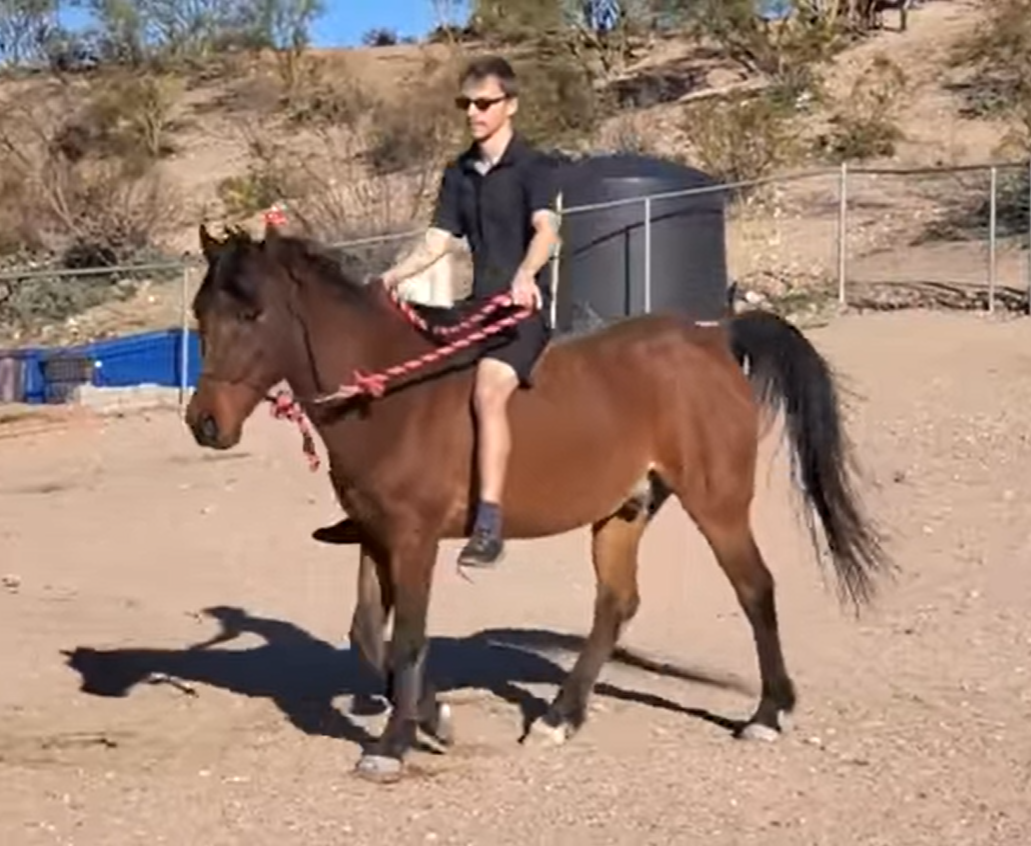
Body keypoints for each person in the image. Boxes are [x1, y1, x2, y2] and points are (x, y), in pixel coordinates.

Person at [312, 55, 561, 569]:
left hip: (520, 313)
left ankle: (488, 520)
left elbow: (546, 231)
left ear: (509, 106)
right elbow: (436, 242)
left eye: (484, 103)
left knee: (489, 391)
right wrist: (391, 278)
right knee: (407, 373)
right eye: (466, 104)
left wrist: (525, 276)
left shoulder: (535, 167)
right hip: (474, 311)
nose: (473, 112)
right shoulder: (459, 172)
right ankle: (382, 501)